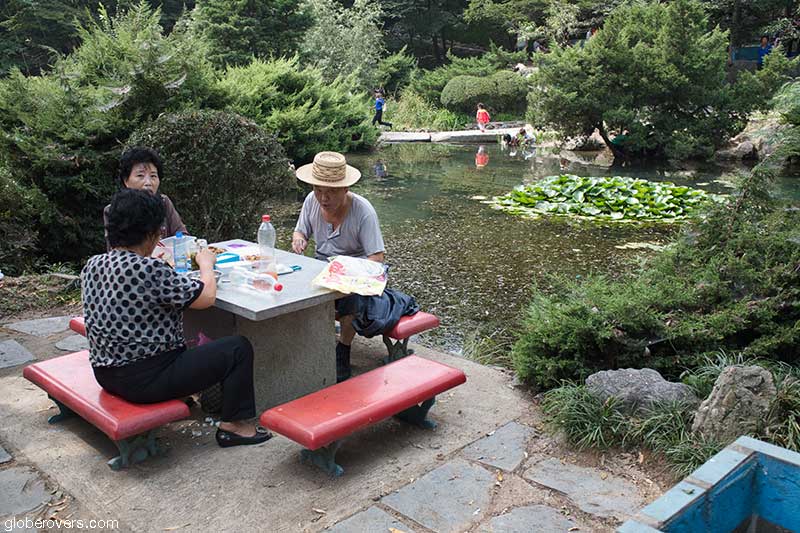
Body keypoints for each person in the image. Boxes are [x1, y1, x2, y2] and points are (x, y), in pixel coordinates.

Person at [84, 189, 270, 447]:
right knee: (237, 348)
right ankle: (235, 426)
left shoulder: (93, 264)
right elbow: (206, 299)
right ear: (151, 234)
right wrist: (206, 263)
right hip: (144, 381)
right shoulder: (149, 269)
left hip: (105, 373)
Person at [293, 152, 415, 383]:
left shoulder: (363, 211)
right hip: (323, 267)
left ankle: (343, 349)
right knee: (295, 282)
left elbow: (376, 258)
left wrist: (347, 274)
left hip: (357, 273)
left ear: (345, 189)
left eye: (330, 192)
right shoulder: (311, 201)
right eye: (318, 190)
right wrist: (299, 238)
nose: (323, 197)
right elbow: (300, 231)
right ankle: (309, 343)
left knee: (350, 299)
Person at [103, 147, 186, 249]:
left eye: (153, 176)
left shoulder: (164, 202)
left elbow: (183, 237)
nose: (148, 183)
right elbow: (114, 250)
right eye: (140, 176)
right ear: (126, 180)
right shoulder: (114, 210)